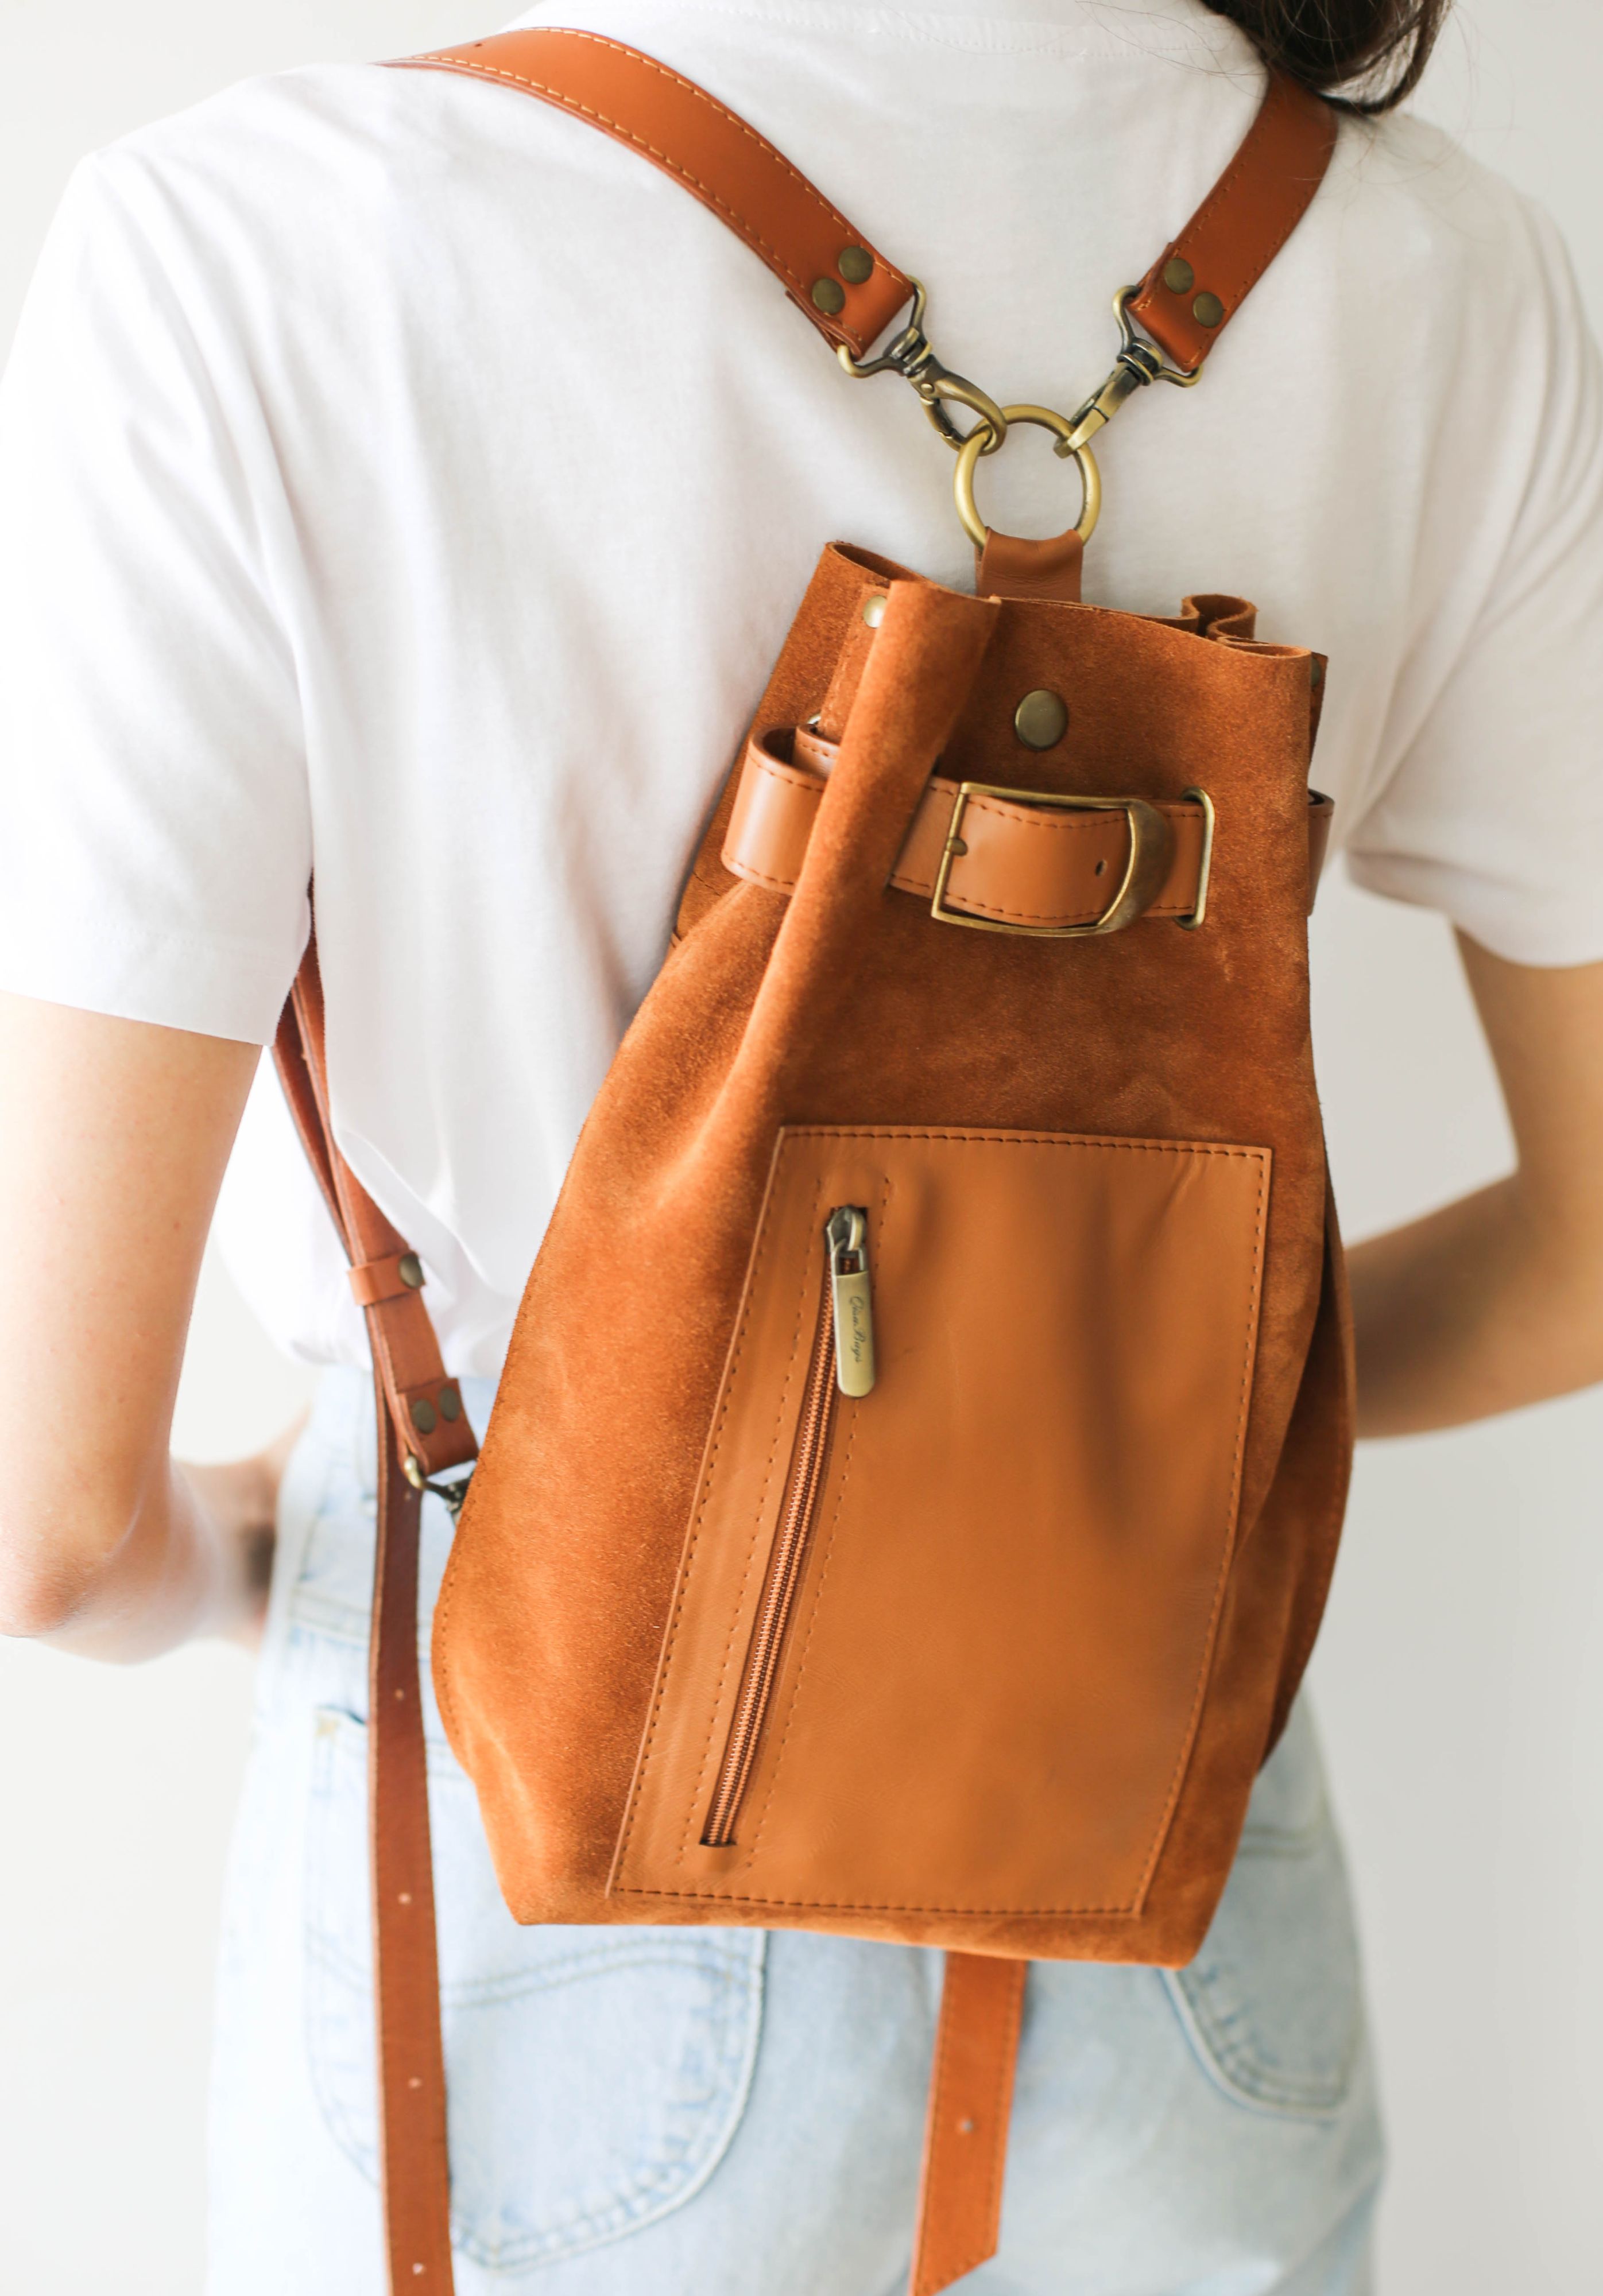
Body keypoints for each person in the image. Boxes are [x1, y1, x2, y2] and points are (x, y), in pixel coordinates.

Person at [2, 0, 1601, 2286]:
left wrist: (256, 1548)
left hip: (525, 1834)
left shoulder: (258, 248)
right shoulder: (1440, 272)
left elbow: (44, 1528)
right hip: (1164, 1840)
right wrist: (1094, 1397)